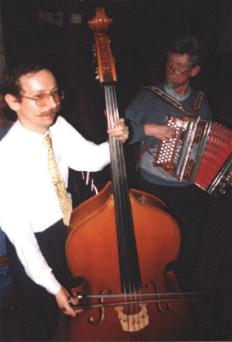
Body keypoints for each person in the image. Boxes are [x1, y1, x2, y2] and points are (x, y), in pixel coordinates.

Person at [0, 63, 128, 341]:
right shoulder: (6, 158)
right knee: (39, 319)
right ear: (13, 101)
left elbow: (89, 159)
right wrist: (54, 288)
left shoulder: (56, 124)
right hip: (34, 244)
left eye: (55, 94)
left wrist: (116, 141)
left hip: (68, 226)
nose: (52, 104)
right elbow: (22, 238)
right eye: (40, 97)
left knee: (77, 303)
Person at [125, 34, 212, 290]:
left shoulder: (201, 103)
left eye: (179, 68)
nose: (171, 72)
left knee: (187, 243)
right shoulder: (147, 96)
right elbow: (122, 132)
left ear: (194, 71)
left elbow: (206, 143)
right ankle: (151, 287)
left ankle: (179, 292)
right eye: (169, 65)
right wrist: (149, 131)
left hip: (190, 188)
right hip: (154, 185)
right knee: (153, 243)